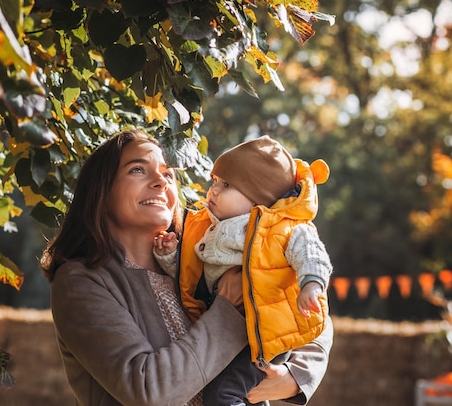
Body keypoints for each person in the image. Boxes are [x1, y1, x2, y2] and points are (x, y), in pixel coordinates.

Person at [41, 129, 333, 406]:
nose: (161, 182)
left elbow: (303, 304)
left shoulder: (202, 250)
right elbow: (147, 391)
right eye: (138, 169)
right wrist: (228, 310)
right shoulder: (81, 282)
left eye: (167, 173)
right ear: (101, 190)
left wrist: (298, 376)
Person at [153, 136, 333, 406]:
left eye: (226, 185)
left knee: (225, 394)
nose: (212, 191)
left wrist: (311, 284)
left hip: (262, 335)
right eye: (214, 181)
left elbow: (312, 253)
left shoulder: (283, 229)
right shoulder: (209, 227)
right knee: (238, 394)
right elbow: (192, 272)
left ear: (258, 197)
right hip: (231, 327)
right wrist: (169, 257)